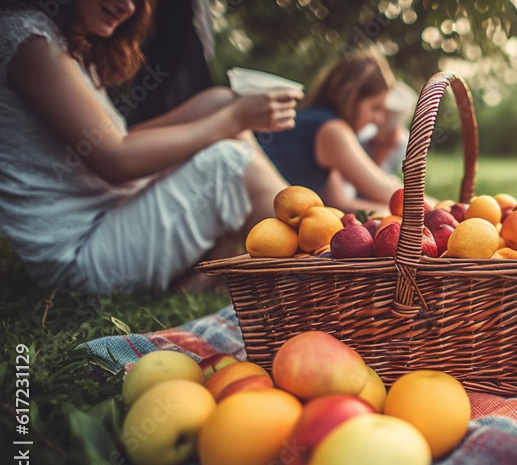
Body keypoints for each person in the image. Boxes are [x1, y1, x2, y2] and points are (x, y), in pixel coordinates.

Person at [0, 1, 301, 295]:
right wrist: (235, 118)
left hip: (114, 215)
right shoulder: (30, 40)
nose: (129, 7)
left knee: (218, 102)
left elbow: (119, 140)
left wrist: (222, 110)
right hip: (82, 253)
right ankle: (313, 268)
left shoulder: (67, 44)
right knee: (232, 164)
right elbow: (115, 160)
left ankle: (298, 240)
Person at [259, 52, 401, 213]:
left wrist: (392, 214)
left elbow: (338, 203)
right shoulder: (331, 130)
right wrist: (433, 208)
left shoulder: (314, 121)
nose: (379, 119)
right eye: (375, 108)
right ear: (350, 97)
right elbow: (389, 193)